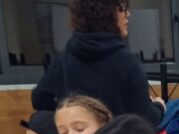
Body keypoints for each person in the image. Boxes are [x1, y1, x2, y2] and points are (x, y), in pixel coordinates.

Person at [31, 0, 165, 125]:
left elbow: (39, 99)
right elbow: (146, 119)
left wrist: (71, 117)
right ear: (107, 15)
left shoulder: (63, 59)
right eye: (122, 9)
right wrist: (159, 107)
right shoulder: (128, 62)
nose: (128, 14)